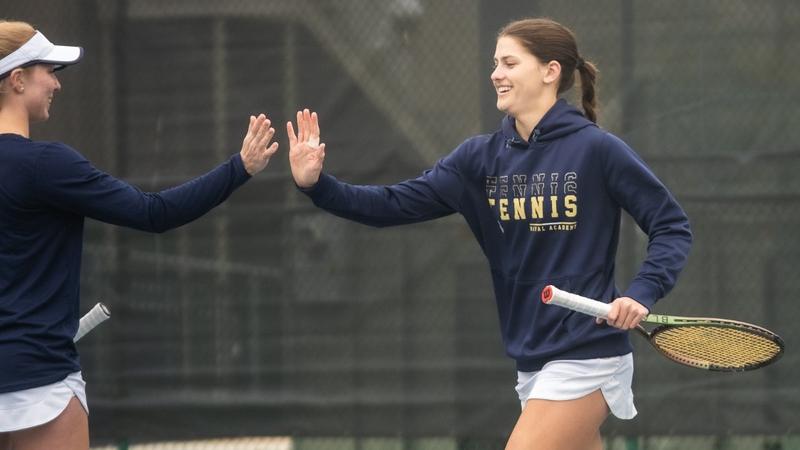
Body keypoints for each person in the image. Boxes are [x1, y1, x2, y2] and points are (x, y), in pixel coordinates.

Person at [287, 17, 692, 450]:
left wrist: (642, 293)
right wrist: (317, 185)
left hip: (588, 352)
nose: (496, 73)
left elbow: (671, 226)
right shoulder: (477, 160)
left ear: (550, 71)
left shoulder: (597, 150)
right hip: (530, 356)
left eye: (510, 63)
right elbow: (392, 205)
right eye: (495, 63)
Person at [0, 21, 279, 449]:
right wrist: (240, 167)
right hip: (41, 385)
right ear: (17, 79)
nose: (57, 82)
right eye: (48, 70)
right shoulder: (46, 164)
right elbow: (155, 213)